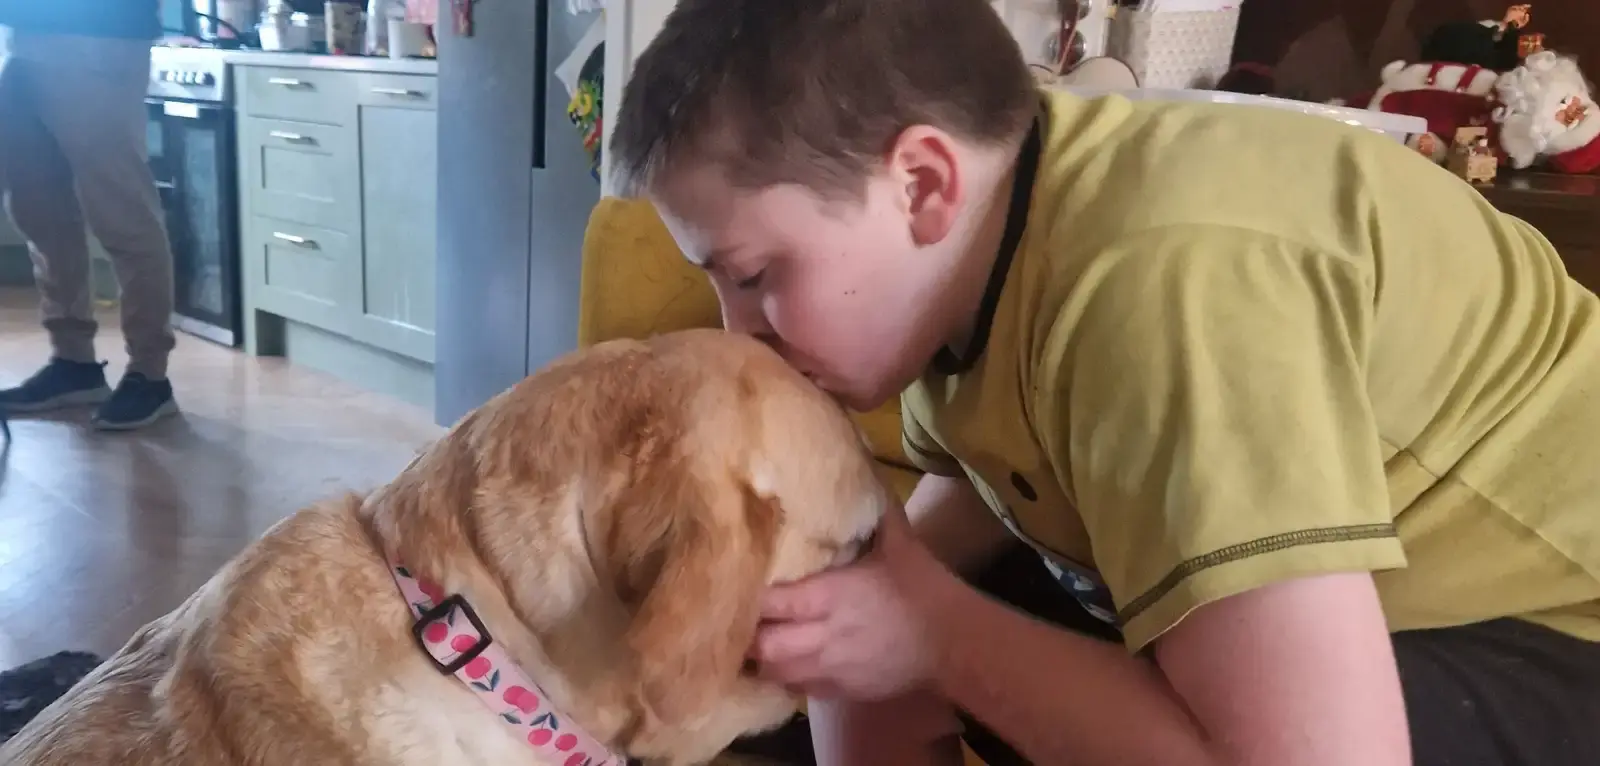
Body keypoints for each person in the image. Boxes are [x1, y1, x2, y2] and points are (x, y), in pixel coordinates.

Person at [609, 1, 1600, 764]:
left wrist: (932, 637)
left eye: (754, 276)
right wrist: (868, 616)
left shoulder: (1160, 282)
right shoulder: (957, 278)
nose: (741, 334)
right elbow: (881, 582)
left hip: (1555, 631)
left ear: (920, 185)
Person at [0, 0, 178, 430]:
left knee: (122, 210)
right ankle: (72, 362)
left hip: (98, 43)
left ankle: (149, 374)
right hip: (22, 39)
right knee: (39, 212)